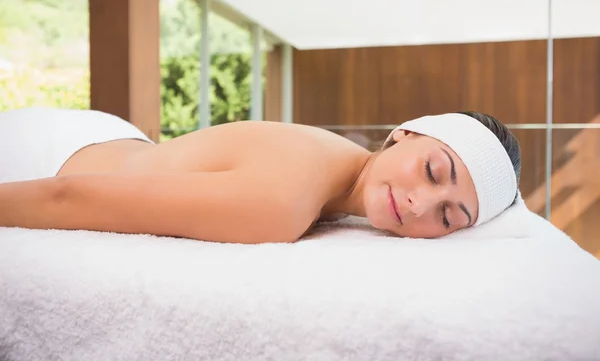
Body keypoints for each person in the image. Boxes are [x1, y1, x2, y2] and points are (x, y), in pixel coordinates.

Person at [0, 107, 520, 244]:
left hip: (116, 136)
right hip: (50, 152)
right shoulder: (282, 202)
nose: (419, 205)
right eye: (433, 172)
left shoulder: (338, 165)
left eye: (449, 217)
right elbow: (67, 198)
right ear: (405, 133)